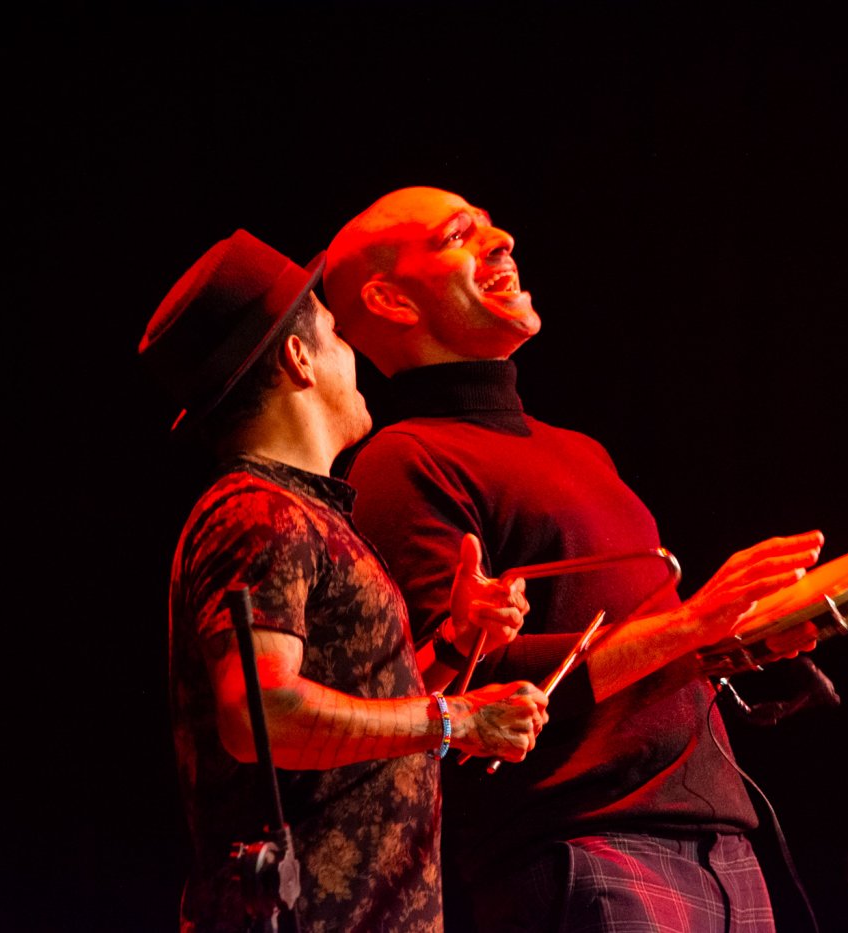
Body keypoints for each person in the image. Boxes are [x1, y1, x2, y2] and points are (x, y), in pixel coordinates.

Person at [324, 187, 825, 932]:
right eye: (459, 235)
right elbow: (451, 695)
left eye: (491, 224)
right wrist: (690, 625)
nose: (502, 239)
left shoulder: (579, 450)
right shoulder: (404, 461)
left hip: (715, 841)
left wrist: (730, 640)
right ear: (390, 299)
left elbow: (637, 653)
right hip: (586, 846)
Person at [138, 229, 550, 933]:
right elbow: (262, 715)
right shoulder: (257, 512)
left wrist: (454, 643)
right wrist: (457, 719)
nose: (351, 353)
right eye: (333, 332)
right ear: (299, 358)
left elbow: (348, 719)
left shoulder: (300, 513)